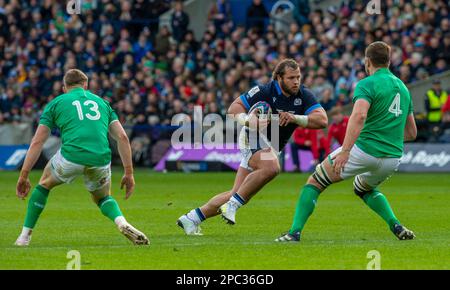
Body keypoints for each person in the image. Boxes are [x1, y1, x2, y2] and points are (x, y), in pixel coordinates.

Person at [276, 41, 417, 242]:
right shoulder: (404, 88)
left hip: (365, 150)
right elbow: (412, 133)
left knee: (315, 181)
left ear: (367, 62)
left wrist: (346, 151)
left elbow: (358, 116)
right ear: (389, 61)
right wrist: (387, 135)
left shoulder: (367, 84)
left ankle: (294, 233)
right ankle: (396, 225)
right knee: (363, 188)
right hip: (392, 158)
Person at [177, 59, 327, 235]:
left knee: (238, 192)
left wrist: (296, 118)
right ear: (279, 78)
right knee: (272, 167)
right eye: (291, 78)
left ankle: (191, 218)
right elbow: (234, 109)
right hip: (252, 137)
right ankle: (232, 206)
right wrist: (248, 120)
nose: (296, 82)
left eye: (298, 77)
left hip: (272, 146)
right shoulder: (264, 91)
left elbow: (322, 120)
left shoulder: (303, 95)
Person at [14, 69, 149, 246]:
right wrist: (129, 173)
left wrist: (23, 176)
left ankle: (24, 237)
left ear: (64, 88)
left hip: (71, 157)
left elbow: (37, 142)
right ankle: (122, 223)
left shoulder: (56, 103)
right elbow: (122, 137)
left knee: (44, 185)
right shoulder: (102, 103)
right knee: (102, 198)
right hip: (100, 159)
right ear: (86, 86)